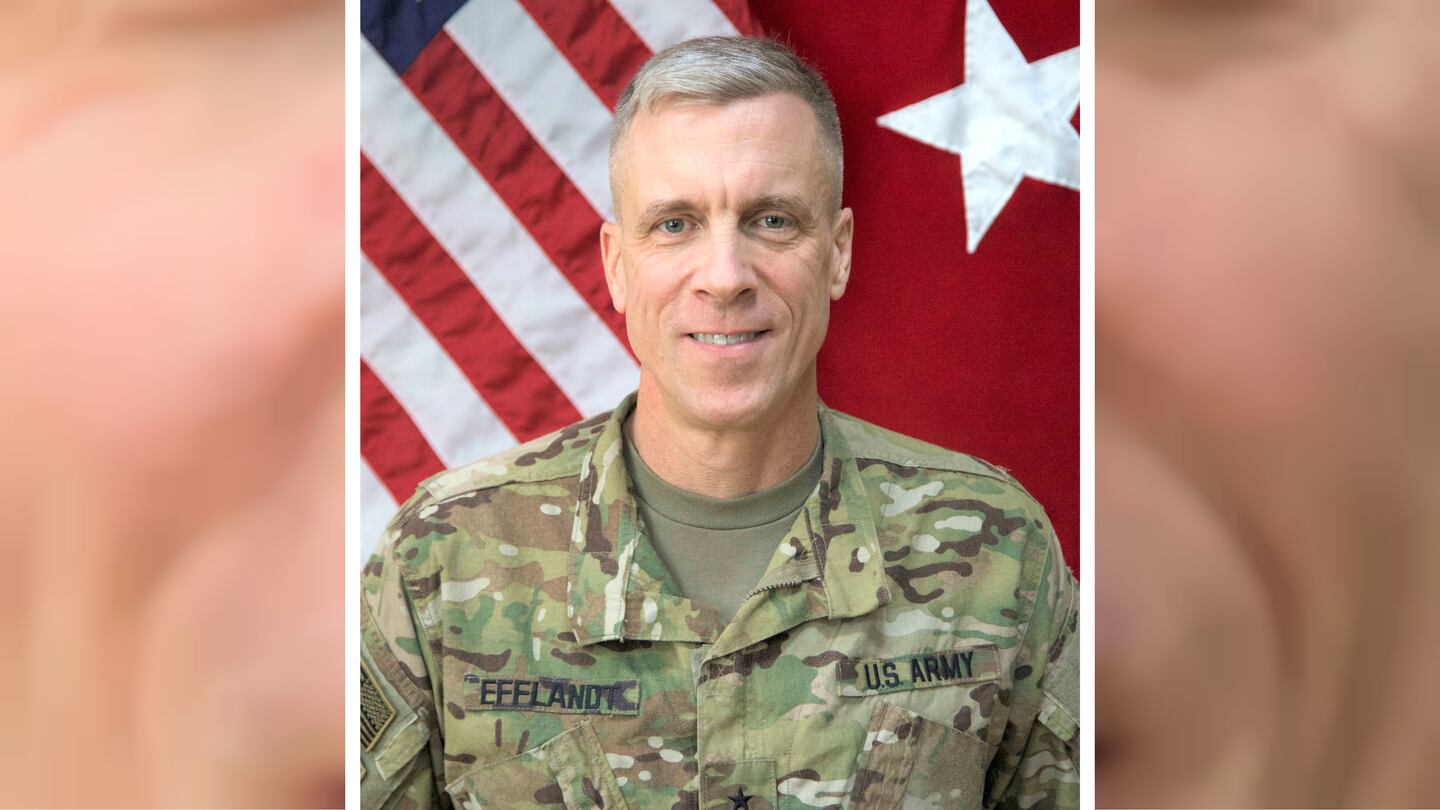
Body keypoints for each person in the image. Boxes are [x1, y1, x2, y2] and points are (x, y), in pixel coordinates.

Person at [361, 35, 1078, 810]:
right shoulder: (442, 557)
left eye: (772, 220)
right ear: (617, 265)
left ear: (837, 254)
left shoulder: (998, 552)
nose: (726, 277)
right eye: (675, 224)